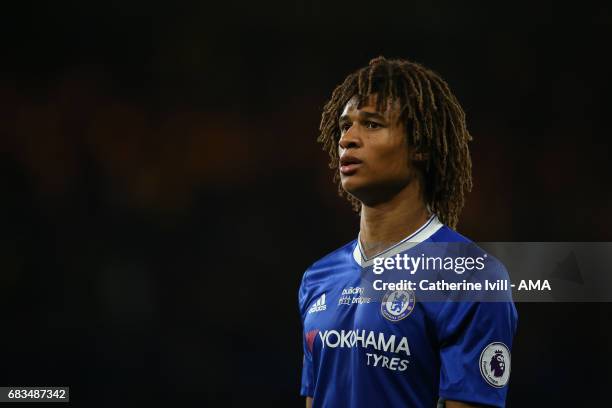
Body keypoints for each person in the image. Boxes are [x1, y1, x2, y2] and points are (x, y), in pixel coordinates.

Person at [298, 56, 517, 408]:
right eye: (344, 126)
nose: (348, 139)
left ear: (421, 146)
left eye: (371, 125)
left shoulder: (471, 278)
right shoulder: (318, 278)